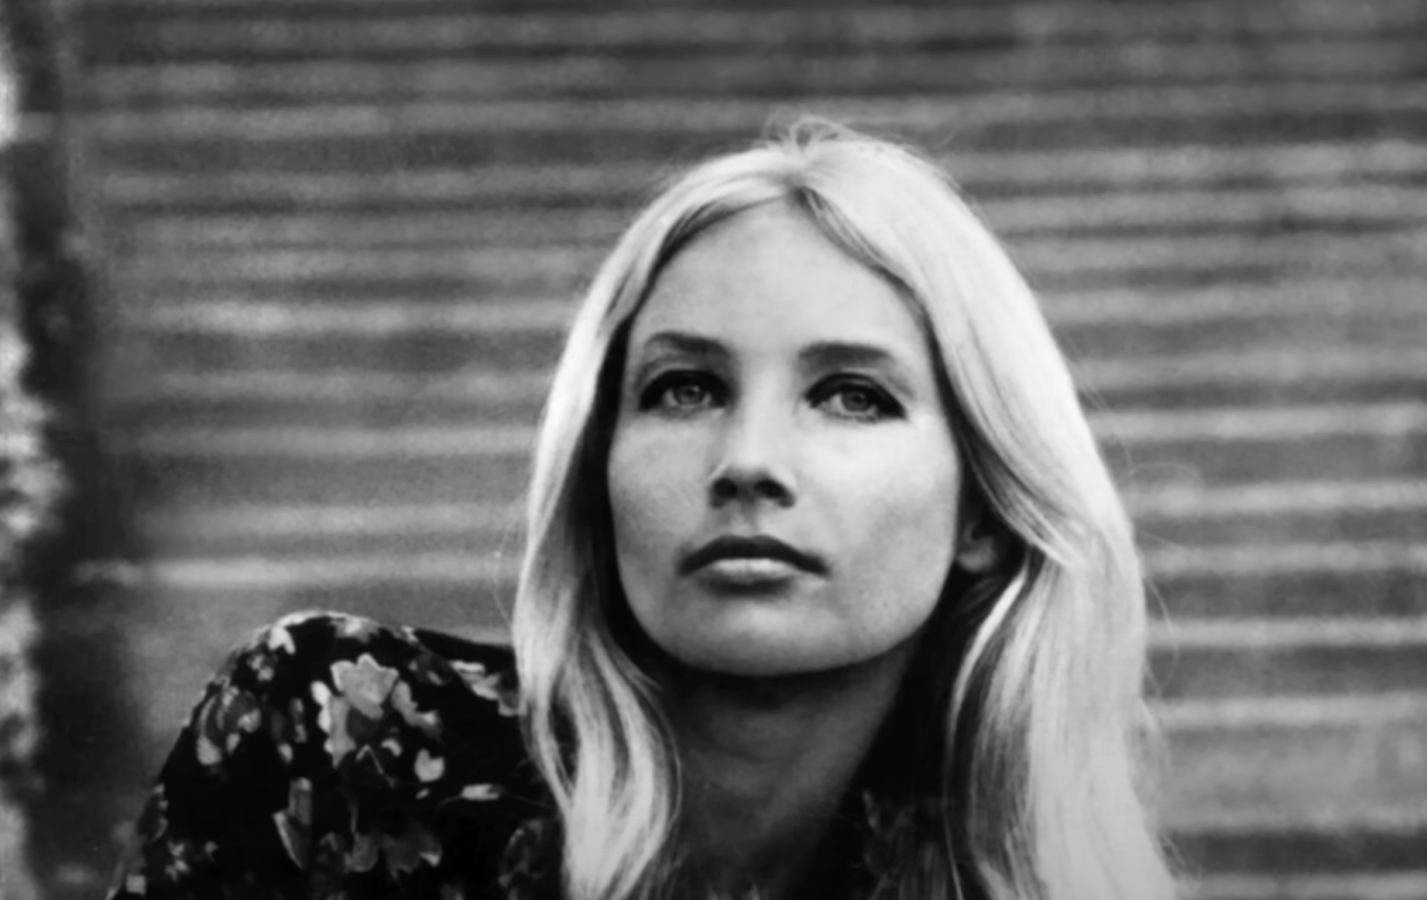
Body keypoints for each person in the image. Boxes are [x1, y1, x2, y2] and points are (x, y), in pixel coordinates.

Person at [106, 119, 1176, 900]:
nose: (747, 461)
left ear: (984, 512)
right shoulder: (340, 739)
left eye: (852, 395)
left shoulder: (997, 874)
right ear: (598, 471)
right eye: (684, 389)